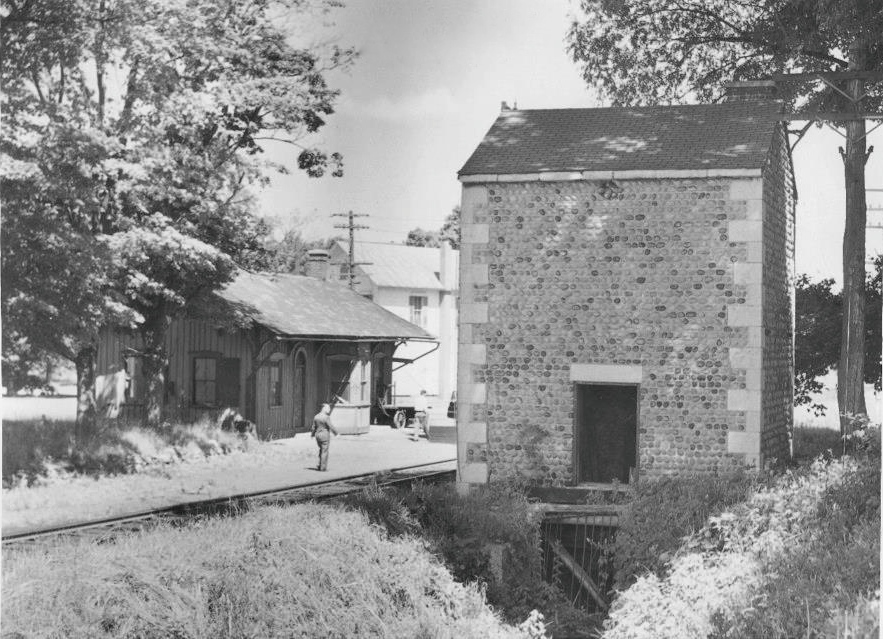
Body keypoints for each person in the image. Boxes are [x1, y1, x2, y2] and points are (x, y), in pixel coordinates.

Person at [311, 403, 338, 471]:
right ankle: (322, 467)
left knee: (321, 450)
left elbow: (313, 427)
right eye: (328, 408)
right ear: (324, 409)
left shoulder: (316, 416)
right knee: (324, 451)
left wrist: (312, 434)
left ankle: (320, 464)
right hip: (325, 435)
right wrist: (336, 433)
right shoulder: (326, 417)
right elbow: (330, 426)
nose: (329, 410)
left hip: (318, 435)